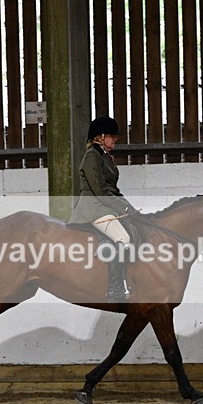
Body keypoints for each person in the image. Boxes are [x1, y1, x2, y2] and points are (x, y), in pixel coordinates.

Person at [68, 116, 136, 303]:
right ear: (101, 136)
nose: (115, 140)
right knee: (123, 238)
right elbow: (100, 190)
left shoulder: (105, 157)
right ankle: (115, 289)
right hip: (94, 207)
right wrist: (122, 207)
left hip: (105, 206)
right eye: (112, 136)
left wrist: (129, 207)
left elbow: (113, 189)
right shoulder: (91, 157)